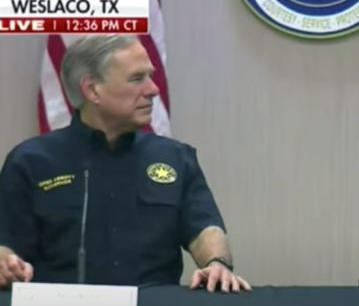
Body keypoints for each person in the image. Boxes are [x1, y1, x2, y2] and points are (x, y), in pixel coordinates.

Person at [0, 35, 250, 293]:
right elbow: (6, 242)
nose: (154, 89)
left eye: (150, 76)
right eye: (137, 78)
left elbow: (204, 229)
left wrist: (217, 263)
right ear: (92, 90)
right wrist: (5, 265)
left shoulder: (175, 158)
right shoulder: (31, 161)